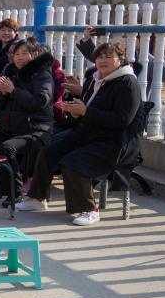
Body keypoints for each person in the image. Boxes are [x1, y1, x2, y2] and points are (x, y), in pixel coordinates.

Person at [17, 42, 142, 225]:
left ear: (121, 60)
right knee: (48, 151)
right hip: (88, 133)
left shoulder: (127, 83)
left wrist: (86, 112)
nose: (103, 61)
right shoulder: (95, 79)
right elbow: (87, 109)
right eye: (100, 57)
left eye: (108, 57)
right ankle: (37, 199)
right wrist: (75, 111)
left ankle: (90, 209)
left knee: (73, 164)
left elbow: (122, 120)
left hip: (115, 142)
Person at [0, 39, 54, 203]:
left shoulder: (43, 75)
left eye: (24, 54)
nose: (20, 57)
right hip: (11, 128)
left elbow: (39, 103)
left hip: (36, 129)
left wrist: (14, 90)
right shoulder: (11, 73)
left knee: (7, 148)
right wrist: (2, 93)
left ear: (34, 55)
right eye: (16, 54)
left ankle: (14, 194)